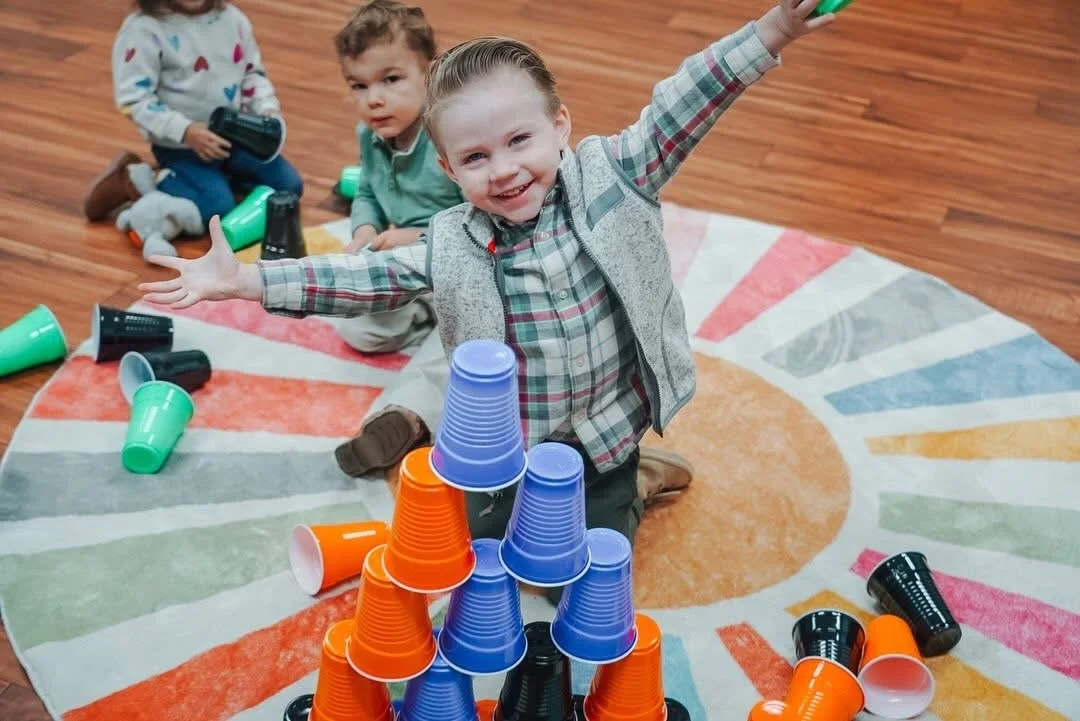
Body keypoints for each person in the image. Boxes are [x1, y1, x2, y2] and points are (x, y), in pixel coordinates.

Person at [139, 0, 835, 599]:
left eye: (520, 141)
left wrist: (774, 28)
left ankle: (634, 483)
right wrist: (246, 280)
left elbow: (689, 97)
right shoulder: (453, 241)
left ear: (560, 125)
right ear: (448, 168)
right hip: (513, 444)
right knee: (487, 557)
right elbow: (362, 279)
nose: (502, 171)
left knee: (578, 574)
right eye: (475, 158)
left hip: (605, 431)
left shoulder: (616, 174)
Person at [327, 0, 465, 479]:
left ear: (431, 73)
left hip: (463, 262)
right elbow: (366, 190)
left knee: (463, 343)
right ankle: (425, 312)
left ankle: (402, 418)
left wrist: (418, 234)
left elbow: (482, 216)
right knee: (359, 330)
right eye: (358, 86)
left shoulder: (452, 135)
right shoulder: (371, 137)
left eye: (391, 80)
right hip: (404, 264)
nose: (374, 100)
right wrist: (364, 229)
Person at [85, 0, 303, 257]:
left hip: (233, 136)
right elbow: (134, 100)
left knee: (288, 188)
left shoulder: (233, 20)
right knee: (214, 208)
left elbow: (252, 74)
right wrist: (186, 130)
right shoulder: (143, 30)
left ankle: (206, 182)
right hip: (181, 147)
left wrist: (266, 109)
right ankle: (136, 180)